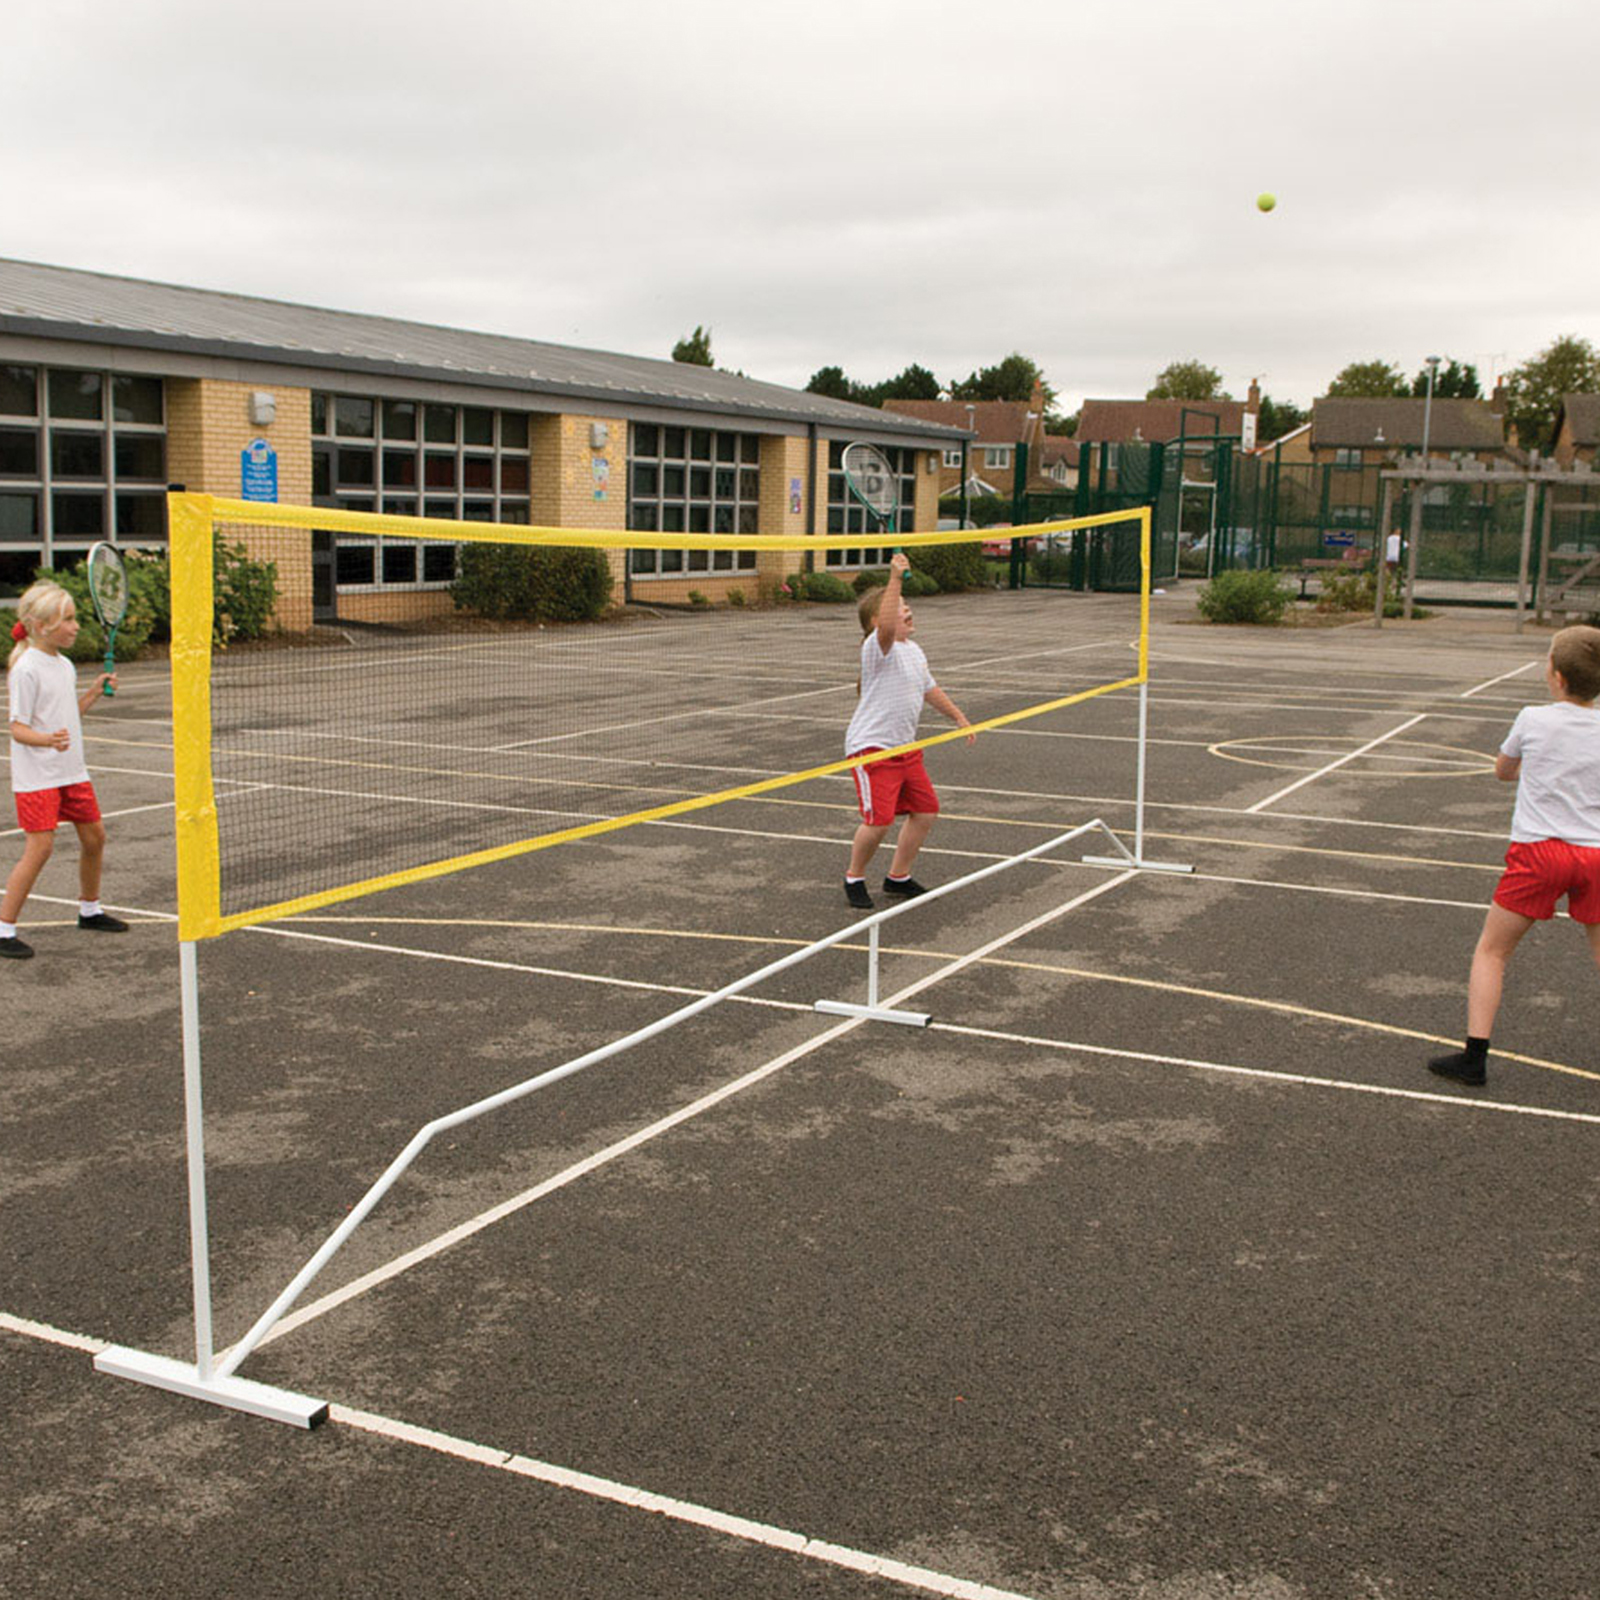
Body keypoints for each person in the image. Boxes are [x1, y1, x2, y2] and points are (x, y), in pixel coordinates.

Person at [1429, 625, 1600, 1085]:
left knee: (1492, 951)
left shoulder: (1533, 718)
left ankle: (1474, 1057)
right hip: (1595, 854)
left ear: (1557, 676)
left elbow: (1503, 770)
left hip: (1539, 853)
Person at [2, 580, 128, 959]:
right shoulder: (26, 669)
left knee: (95, 838)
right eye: (68, 620)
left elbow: (68, 715)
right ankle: (4, 928)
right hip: (38, 777)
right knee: (40, 848)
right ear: (42, 626)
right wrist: (47, 741)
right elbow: (17, 728)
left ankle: (90, 910)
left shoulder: (65, 665)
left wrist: (92, 692)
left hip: (72, 772)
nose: (76, 627)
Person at [842, 552, 972, 910]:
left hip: (904, 748)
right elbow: (886, 628)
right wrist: (895, 579)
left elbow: (929, 688)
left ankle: (898, 876)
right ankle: (854, 877)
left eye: (906, 605)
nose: (907, 610)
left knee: (926, 810)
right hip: (872, 748)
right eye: (900, 607)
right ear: (878, 619)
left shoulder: (913, 651)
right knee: (879, 821)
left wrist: (958, 716)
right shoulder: (876, 649)